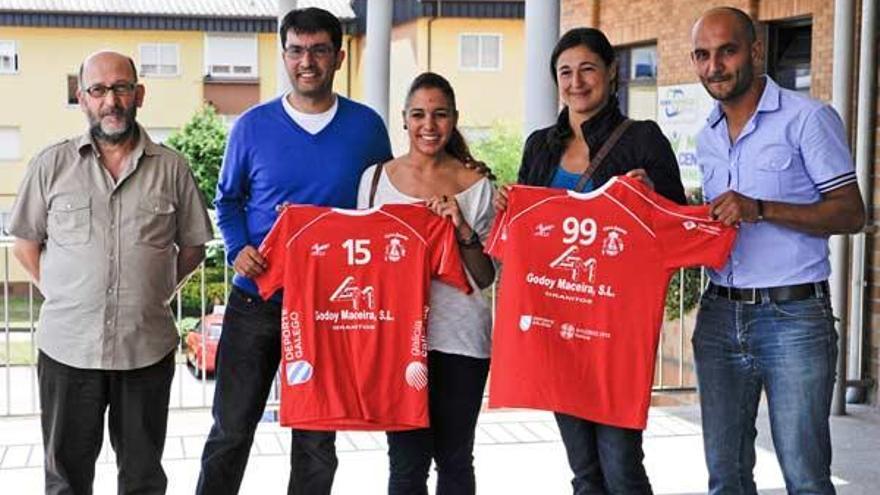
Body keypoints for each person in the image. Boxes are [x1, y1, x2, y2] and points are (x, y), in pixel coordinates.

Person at [197, 7, 392, 495]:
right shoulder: (251, 126)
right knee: (231, 429)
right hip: (257, 297)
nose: (308, 61)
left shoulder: (367, 127)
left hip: (330, 304)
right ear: (284, 55)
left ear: (339, 57)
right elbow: (228, 200)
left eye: (319, 50)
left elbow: (383, 202)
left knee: (317, 438)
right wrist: (239, 247)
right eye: (297, 50)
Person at [8, 51, 213, 494]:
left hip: (145, 348)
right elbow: (25, 244)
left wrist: (152, 291)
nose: (111, 100)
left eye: (121, 88)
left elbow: (193, 247)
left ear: (139, 94)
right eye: (99, 90)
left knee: (142, 478)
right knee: (65, 479)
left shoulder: (172, 168)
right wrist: (62, 292)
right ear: (82, 98)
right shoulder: (51, 165)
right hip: (68, 351)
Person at [496, 27, 686, 495]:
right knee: (583, 469)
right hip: (558, 325)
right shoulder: (540, 145)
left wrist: (652, 196)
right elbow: (526, 231)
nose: (576, 82)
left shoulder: (643, 139)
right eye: (565, 72)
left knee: (621, 464)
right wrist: (507, 209)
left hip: (614, 329)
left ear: (611, 73)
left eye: (587, 69)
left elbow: (675, 221)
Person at [689, 7, 865, 494]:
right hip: (719, 314)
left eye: (727, 51)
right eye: (702, 55)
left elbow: (852, 214)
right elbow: (718, 217)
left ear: (756, 50)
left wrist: (761, 208)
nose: (714, 67)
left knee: (805, 478)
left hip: (794, 317)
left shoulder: (808, 118)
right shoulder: (707, 134)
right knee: (725, 478)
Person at [357, 72, 496, 495]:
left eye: (439, 114)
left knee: (455, 460)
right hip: (398, 343)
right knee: (405, 464)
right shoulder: (374, 181)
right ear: (404, 120)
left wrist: (461, 229)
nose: (428, 125)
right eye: (418, 114)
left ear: (454, 119)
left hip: (461, 341)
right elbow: (361, 259)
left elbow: (486, 275)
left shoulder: (477, 185)